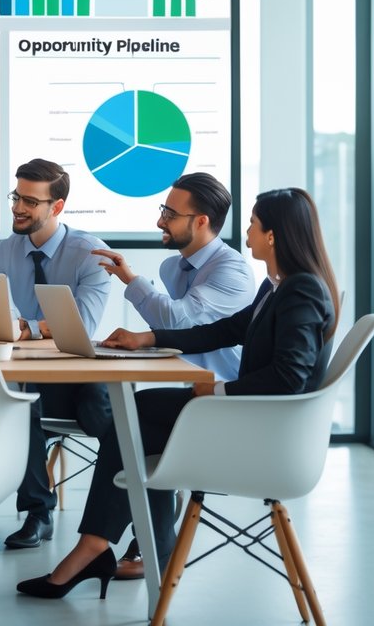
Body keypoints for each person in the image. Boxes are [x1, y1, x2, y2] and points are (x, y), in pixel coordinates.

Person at [17, 187, 340, 600]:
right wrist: (148, 337)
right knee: (135, 416)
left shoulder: (302, 291)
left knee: (136, 415)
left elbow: (289, 377)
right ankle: (121, 545)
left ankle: (107, 545)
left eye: (254, 225)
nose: (246, 233)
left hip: (264, 434)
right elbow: (223, 330)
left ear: (274, 235)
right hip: (252, 418)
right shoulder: (279, 288)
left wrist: (216, 390)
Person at [89, 172, 254, 579]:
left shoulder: (231, 271)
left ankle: (115, 547)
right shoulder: (175, 268)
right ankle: (131, 546)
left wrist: (131, 281)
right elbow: (181, 330)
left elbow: (181, 323)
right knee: (132, 422)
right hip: (196, 390)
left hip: (226, 401)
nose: (160, 221)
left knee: (133, 424)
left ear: (200, 222)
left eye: (169, 213)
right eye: (163, 210)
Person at [0, 159, 112, 549]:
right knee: (17, 399)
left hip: (77, 381)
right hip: (27, 376)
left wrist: (30, 327)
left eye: (30, 201)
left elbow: (83, 325)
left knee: (102, 416)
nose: (18, 208)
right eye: (16, 197)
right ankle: (34, 514)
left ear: (56, 207)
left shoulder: (90, 253)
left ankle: (128, 506)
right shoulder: (7, 250)